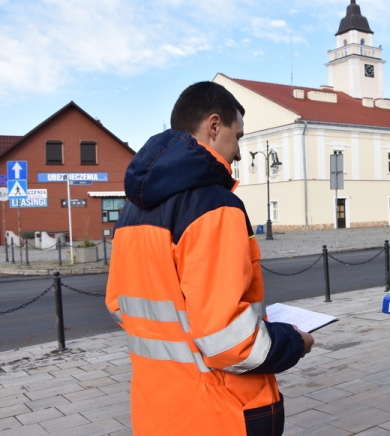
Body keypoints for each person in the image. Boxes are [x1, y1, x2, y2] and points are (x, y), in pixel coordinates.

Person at [105, 81, 314, 436]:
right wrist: (294, 340)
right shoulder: (215, 205)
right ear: (213, 126)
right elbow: (231, 344)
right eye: (238, 136)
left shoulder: (132, 208)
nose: (238, 153)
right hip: (218, 413)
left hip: (156, 408)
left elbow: (120, 306)